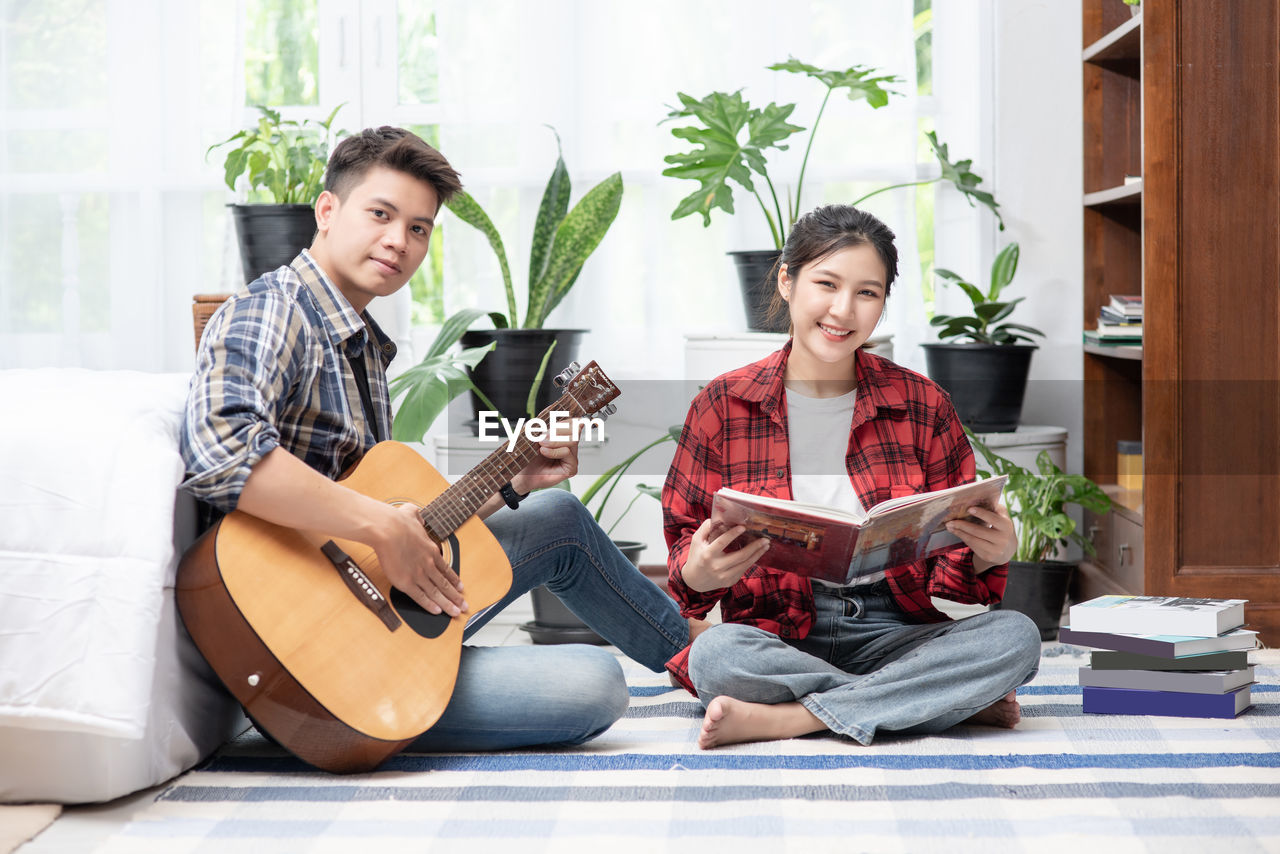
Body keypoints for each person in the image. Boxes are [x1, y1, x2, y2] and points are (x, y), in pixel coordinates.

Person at [181, 126, 689, 751]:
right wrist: (383, 527)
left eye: (419, 228)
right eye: (381, 214)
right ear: (327, 210)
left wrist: (514, 480)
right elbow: (224, 452)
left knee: (552, 510)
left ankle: (701, 662)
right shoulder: (274, 310)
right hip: (298, 653)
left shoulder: (362, 346)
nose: (399, 239)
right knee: (595, 685)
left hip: (359, 610)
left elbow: (399, 528)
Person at [661, 204, 1042, 750]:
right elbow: (684, 570)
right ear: (787, 281)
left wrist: (990, 552)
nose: (844, 310)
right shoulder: (722, 404)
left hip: (898, 632)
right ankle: (933, 701)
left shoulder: (922, 403)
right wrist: (699, 571)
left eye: (868, 292)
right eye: (827, 283)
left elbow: (953, 572)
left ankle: (793, 718)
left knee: (1016, 638)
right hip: (778, 637)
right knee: (716, 657)